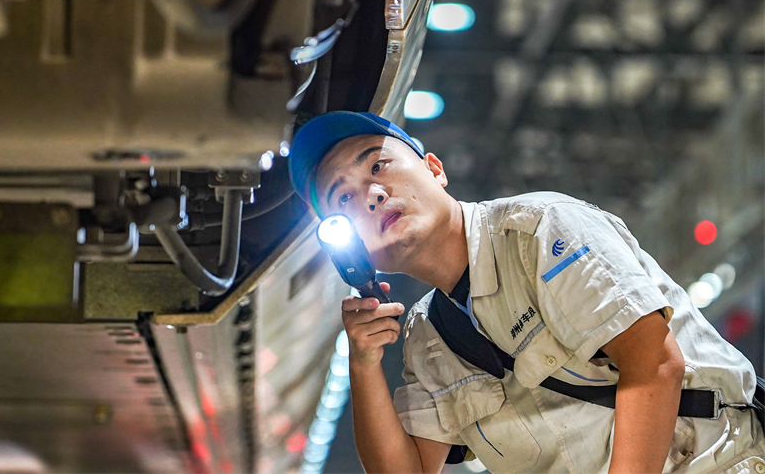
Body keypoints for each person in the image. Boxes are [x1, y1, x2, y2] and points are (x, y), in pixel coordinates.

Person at [288, 110, 764, 474]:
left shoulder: (539, 232)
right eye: (343, 198)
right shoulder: (430, 339)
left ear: (435, 169)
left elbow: (656, 363)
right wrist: (364, 363)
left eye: (379, 165)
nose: (370, 194)